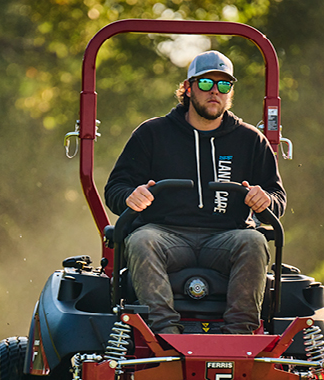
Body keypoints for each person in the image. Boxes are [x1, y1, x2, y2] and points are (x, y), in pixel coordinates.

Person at [104, 50, 287, 334]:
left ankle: (238, 338)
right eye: (205, 84)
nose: (215, 91)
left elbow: (277, 200)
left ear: (230, 93)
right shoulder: (152, 134)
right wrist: (131, 195)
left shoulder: (250, 140)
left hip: (226, 238)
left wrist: (265, 201)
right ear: (188, 88)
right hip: (166, 235)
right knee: (141, 240)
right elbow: (115, 189)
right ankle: (164, 334)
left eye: (224, 85)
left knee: (253, 240)